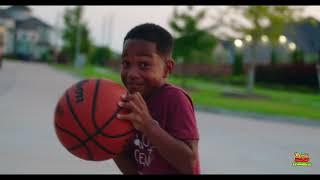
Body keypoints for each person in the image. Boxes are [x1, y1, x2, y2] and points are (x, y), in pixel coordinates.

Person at [113, 23, 200, 174]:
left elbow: (189, 164)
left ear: (167, 69)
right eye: (126, 63)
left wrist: (147, 125)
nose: (132, 73)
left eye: (144, 64)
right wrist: (109, 143)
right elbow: (129, 163)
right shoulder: (127, 103)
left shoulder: (174, 99)